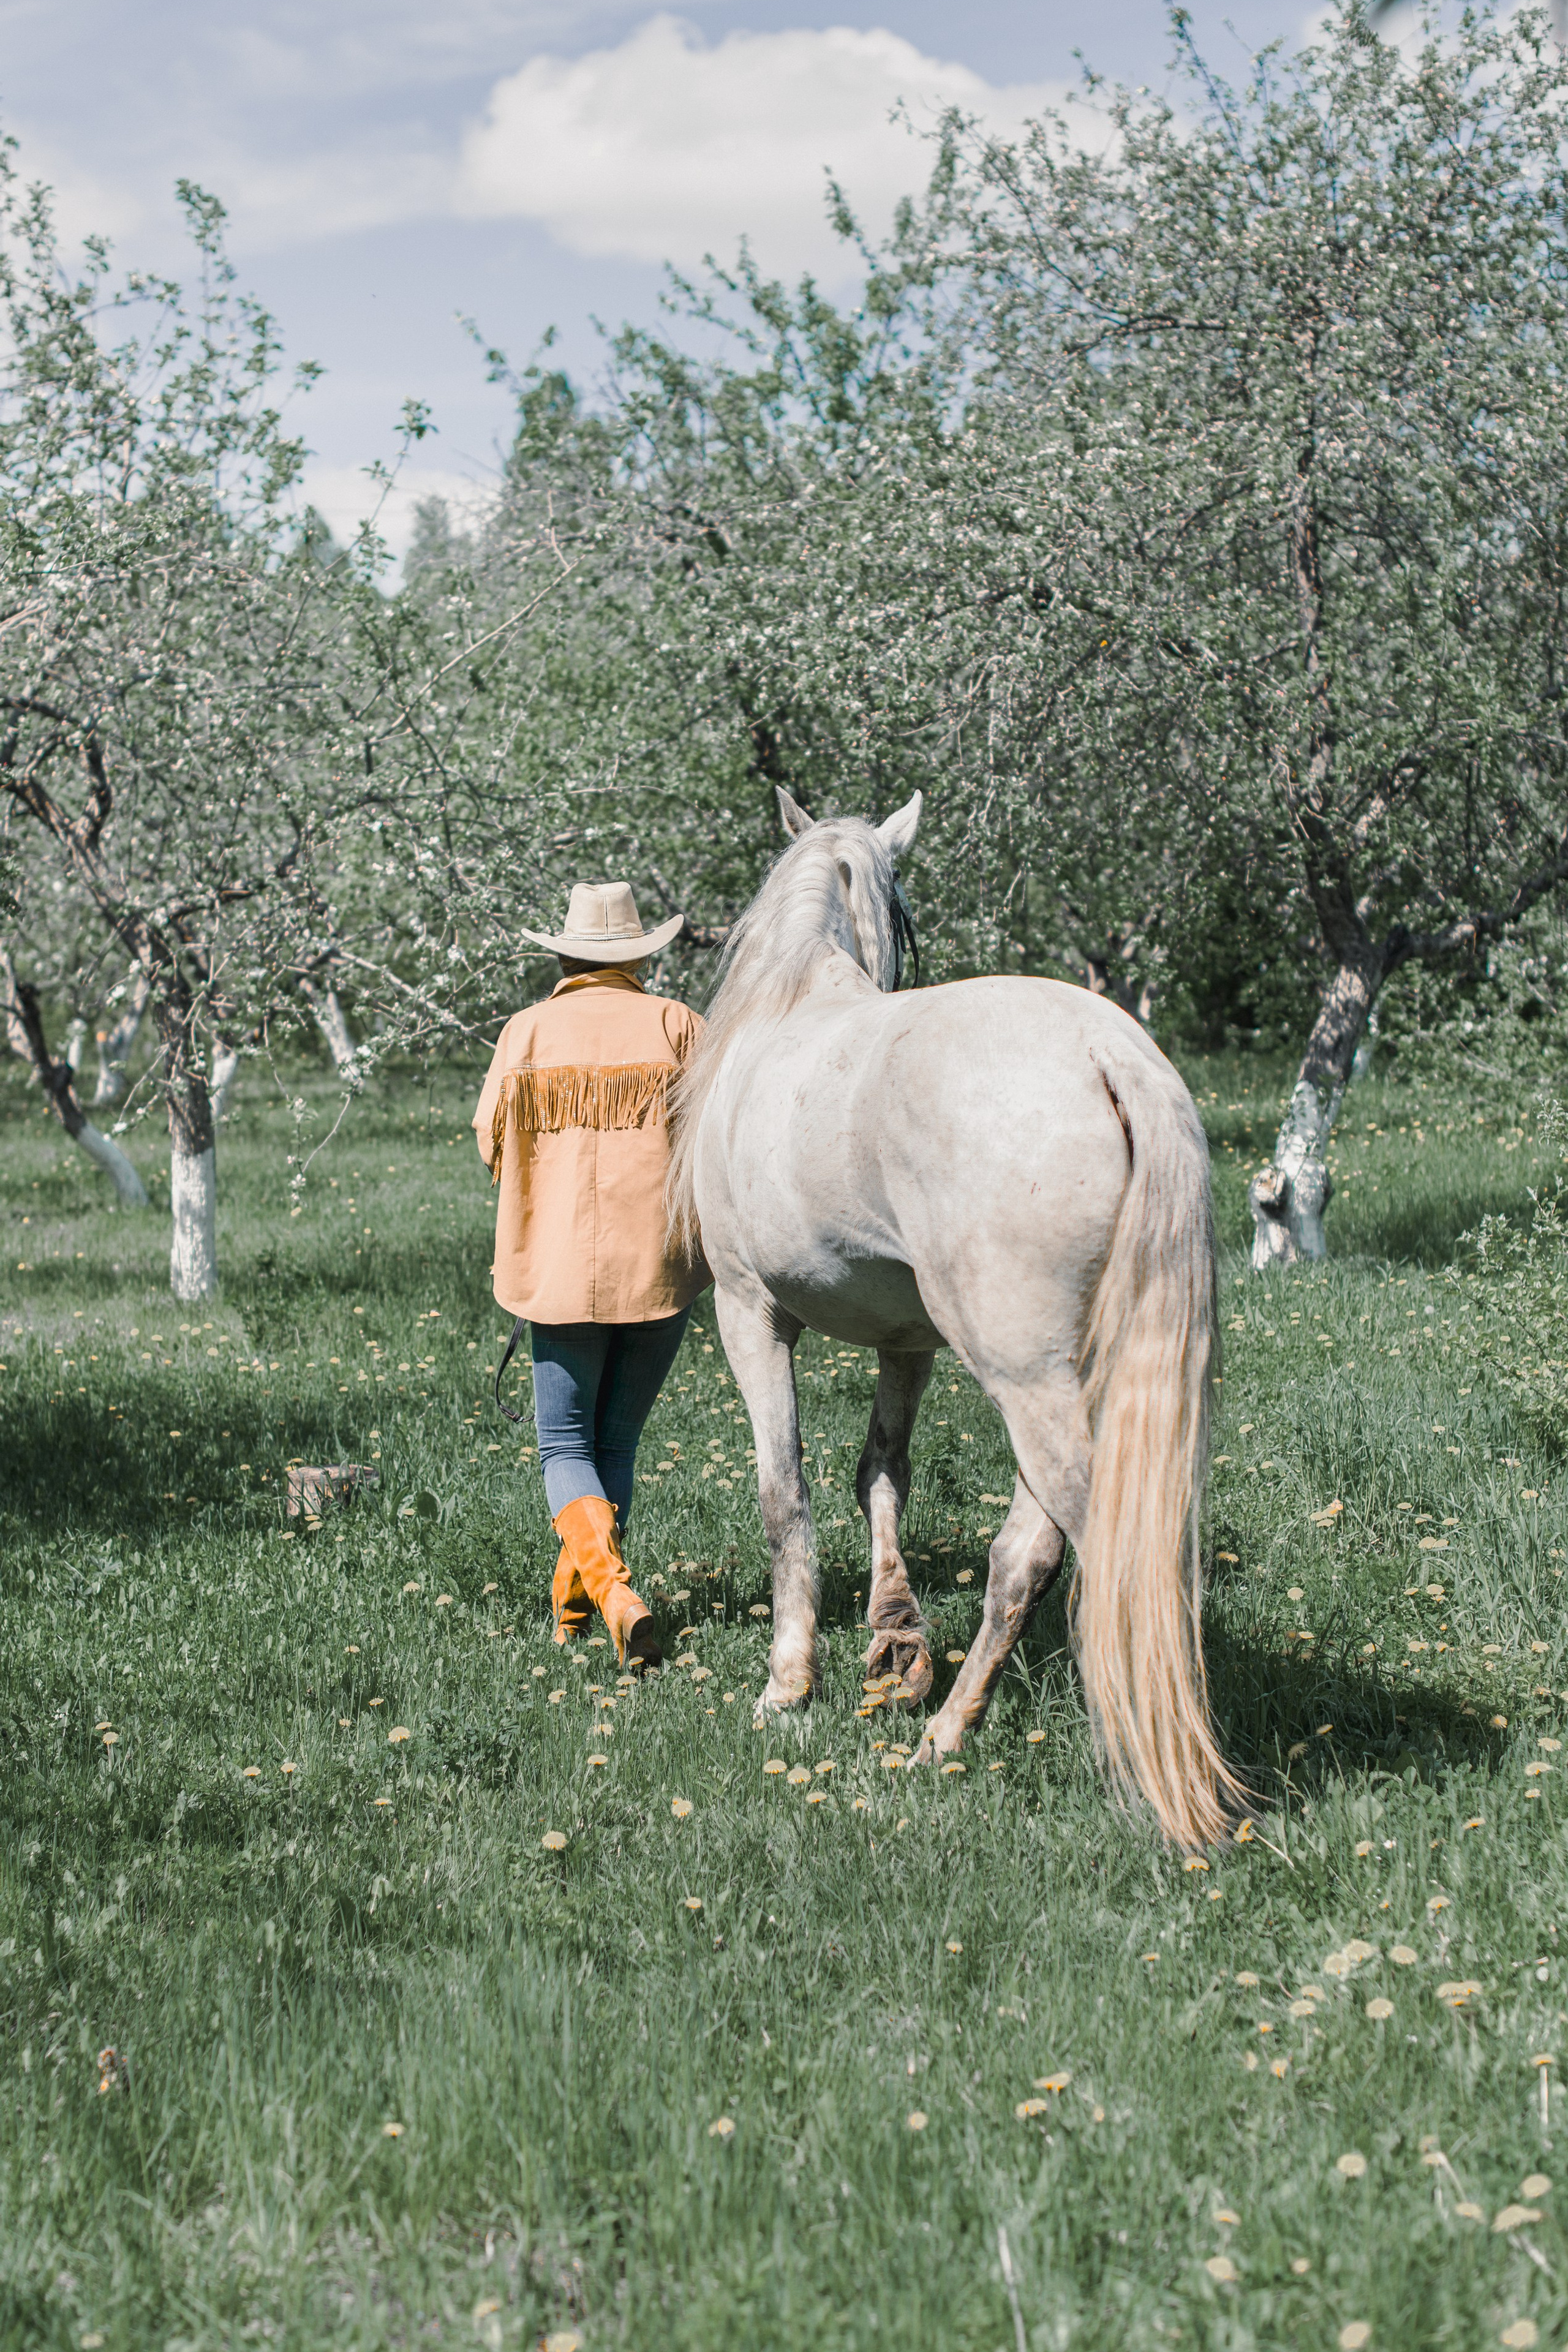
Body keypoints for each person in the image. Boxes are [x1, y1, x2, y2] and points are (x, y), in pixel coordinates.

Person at [473, 880, 710, 1667]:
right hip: (659, 1270)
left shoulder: (528, 1030)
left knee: (564, 1445)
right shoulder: (680, 1025)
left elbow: (490, 1145)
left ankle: (608, 1595)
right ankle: (575, 1614)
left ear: (567, 952)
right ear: (640, 955)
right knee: (615, 1444)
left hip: (558, 1269)